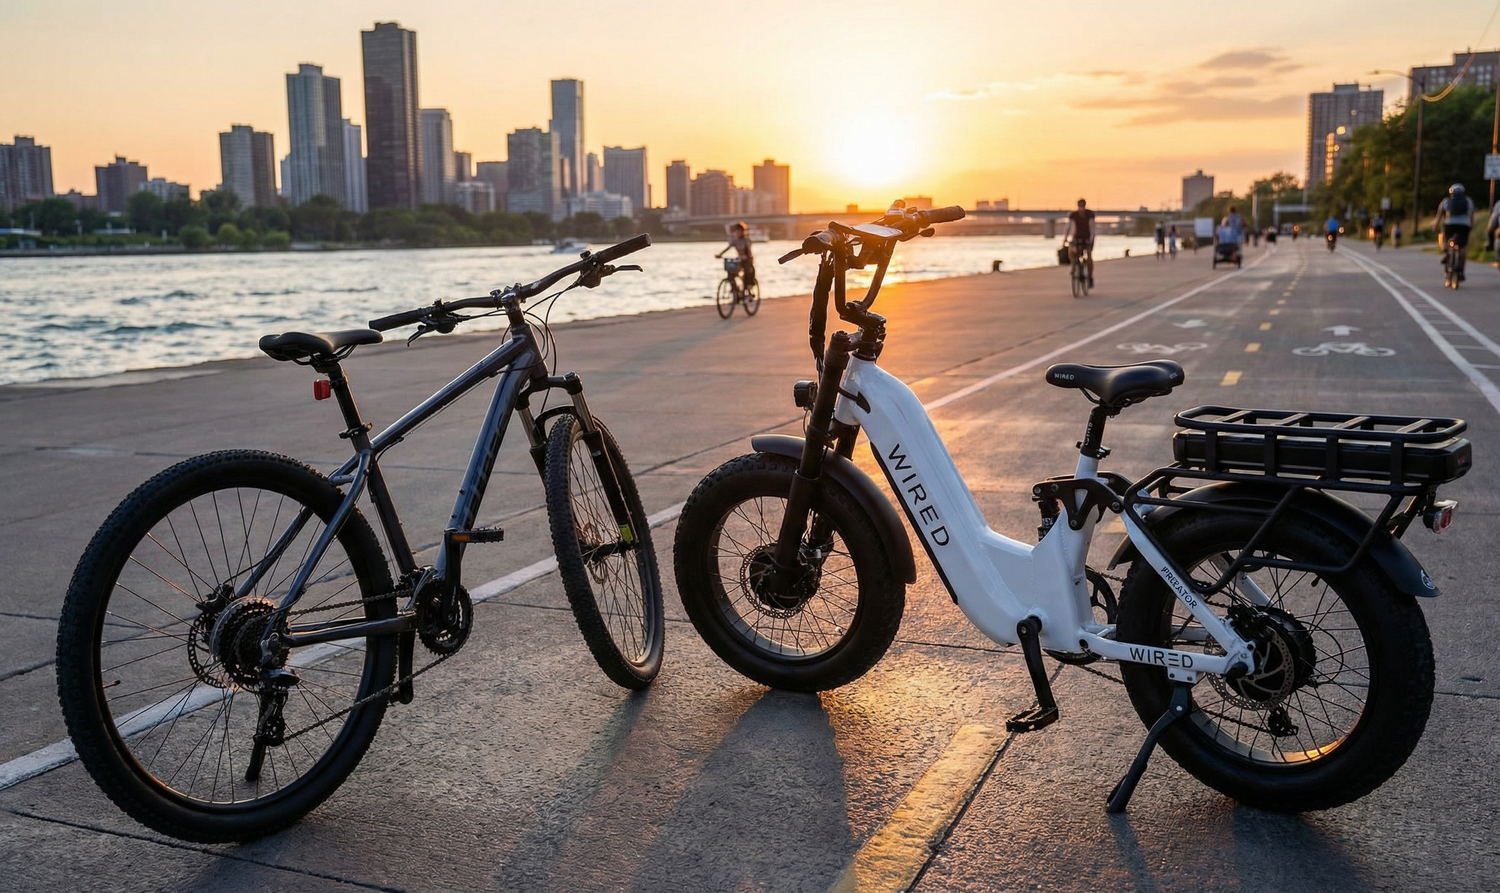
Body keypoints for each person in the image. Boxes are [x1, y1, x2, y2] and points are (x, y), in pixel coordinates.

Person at [1434, 184, 1473, 282]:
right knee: (1462, 248)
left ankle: (1446, 250)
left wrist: (1435, 226)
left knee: (1444, 236)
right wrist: (1470, 226)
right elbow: (1471, 216)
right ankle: (1461, 271)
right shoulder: (1468, 201)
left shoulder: (1446, 201)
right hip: (1464, 225)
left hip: (1450, 225)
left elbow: (1439, 216)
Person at [1062, 198, 1096, 287]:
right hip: (1076, 237)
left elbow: (1092, 228)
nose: (1081, 208)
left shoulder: (1089, 215)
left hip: (1087, 238)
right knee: (1071, 250)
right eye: (1080, 206)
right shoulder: (1073, 215)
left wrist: (1091, 240)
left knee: (1089, 256)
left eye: (1082, 206)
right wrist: (1065, 239)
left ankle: (1090, 277)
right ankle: (1073, 266)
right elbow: (1069, 227)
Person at [714, 221, 756, 294]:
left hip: (747, 260)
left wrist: (746, 256)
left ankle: (748, 290)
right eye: (737, 231)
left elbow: (749, 251)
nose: (738, 233)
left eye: (739, 231)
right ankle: (734, 289)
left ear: (742, 231)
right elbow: (728, 248)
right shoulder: (735, 241)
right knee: (731, 272)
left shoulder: (746, 240)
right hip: (739, 260)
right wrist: (720, 254)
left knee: (747, 273)